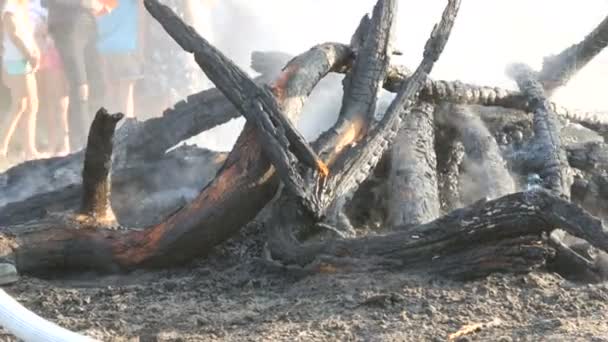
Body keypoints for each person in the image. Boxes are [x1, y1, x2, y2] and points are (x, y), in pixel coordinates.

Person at [46, 0, 109, 151]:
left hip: (88, 24)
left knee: (98, 84)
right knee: (80, 86)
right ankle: (82, 144)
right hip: (66, 26)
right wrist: (84, 2)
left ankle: (97, 136)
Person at [1, 0, 41, 160]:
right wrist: (28, 54)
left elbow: (25, 33)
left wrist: (35, 50)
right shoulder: (10, 5)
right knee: (21, 104)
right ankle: (4, 146)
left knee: (30, 104)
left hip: (21, 58)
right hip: (17, 59)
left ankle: (29, 149)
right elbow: (14, 33)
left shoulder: (19, 5)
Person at [30, 0, 69, 156]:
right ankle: (53, 143)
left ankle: (65, 143)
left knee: (59, 100)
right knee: (45, 100)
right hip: (36, 53)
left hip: (56, 50)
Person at [96, 0, 143, 119]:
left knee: (117, 93)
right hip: (116, 45)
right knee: (120, 94)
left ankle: (121, 131)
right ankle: (123, 132)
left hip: (121, 45)